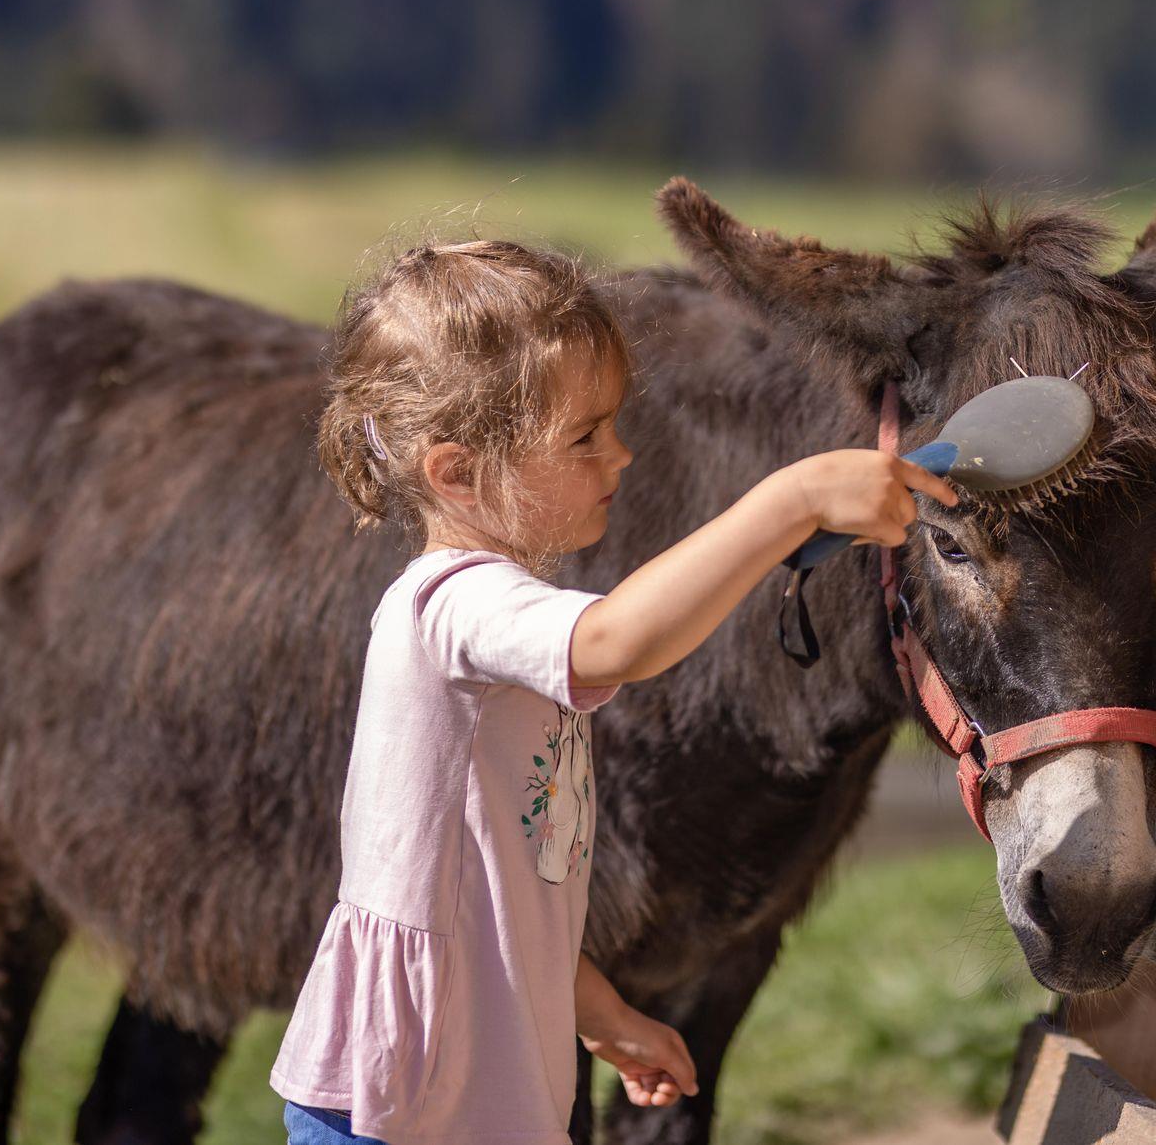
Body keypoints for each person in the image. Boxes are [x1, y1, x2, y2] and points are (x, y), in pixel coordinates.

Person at [270, 235, 958, 1145]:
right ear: (458, 472)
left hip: (470, 1091)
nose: (621, 456)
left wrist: (602, 1018)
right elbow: (618, 641)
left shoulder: (494, 619)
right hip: (401, 1104)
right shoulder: (451, 606)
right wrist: (791, 502)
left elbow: (510, 902)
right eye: (584, 436)